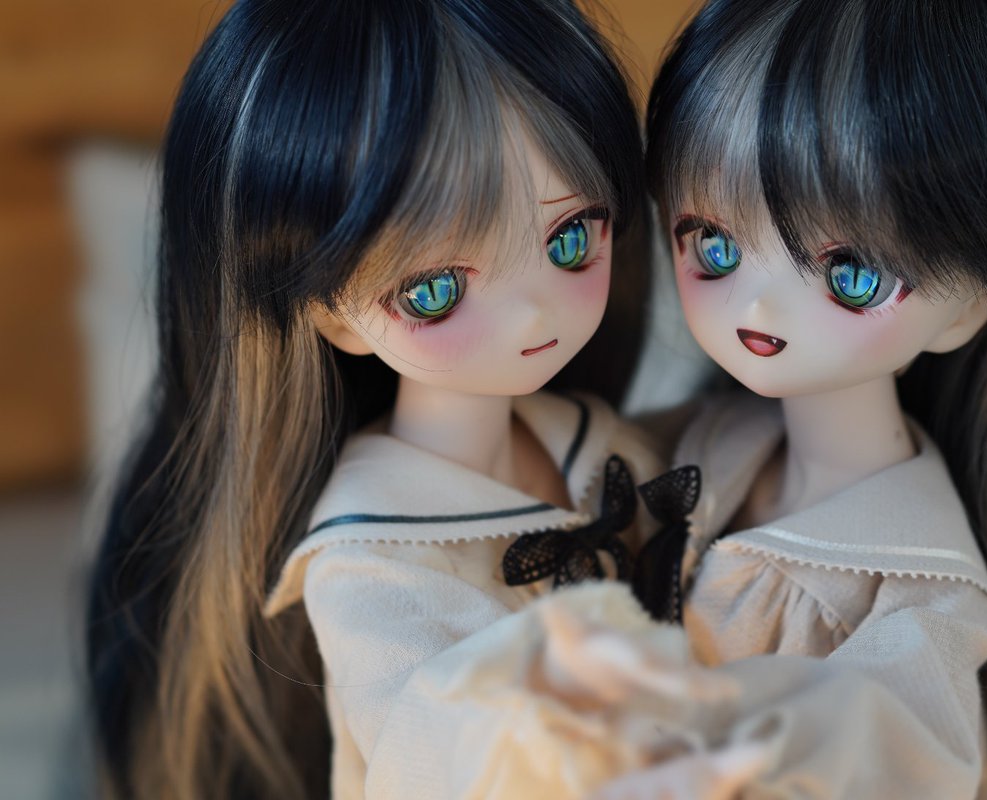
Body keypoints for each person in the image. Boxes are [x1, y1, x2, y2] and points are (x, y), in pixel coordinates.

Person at [382, 1, 987, 798]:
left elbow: (892, 736)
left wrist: (721, 747)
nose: (756, 308)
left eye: (852, 275)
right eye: (715, 246)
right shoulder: (692, 448)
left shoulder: (920, 593)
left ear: (969, 306)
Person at [83, 1, 658, 798]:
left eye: (569, 240)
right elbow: (447, 761)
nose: (534, 314)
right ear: (333, 318)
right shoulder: (371, 565)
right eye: (434, 290)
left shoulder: (593, 443)